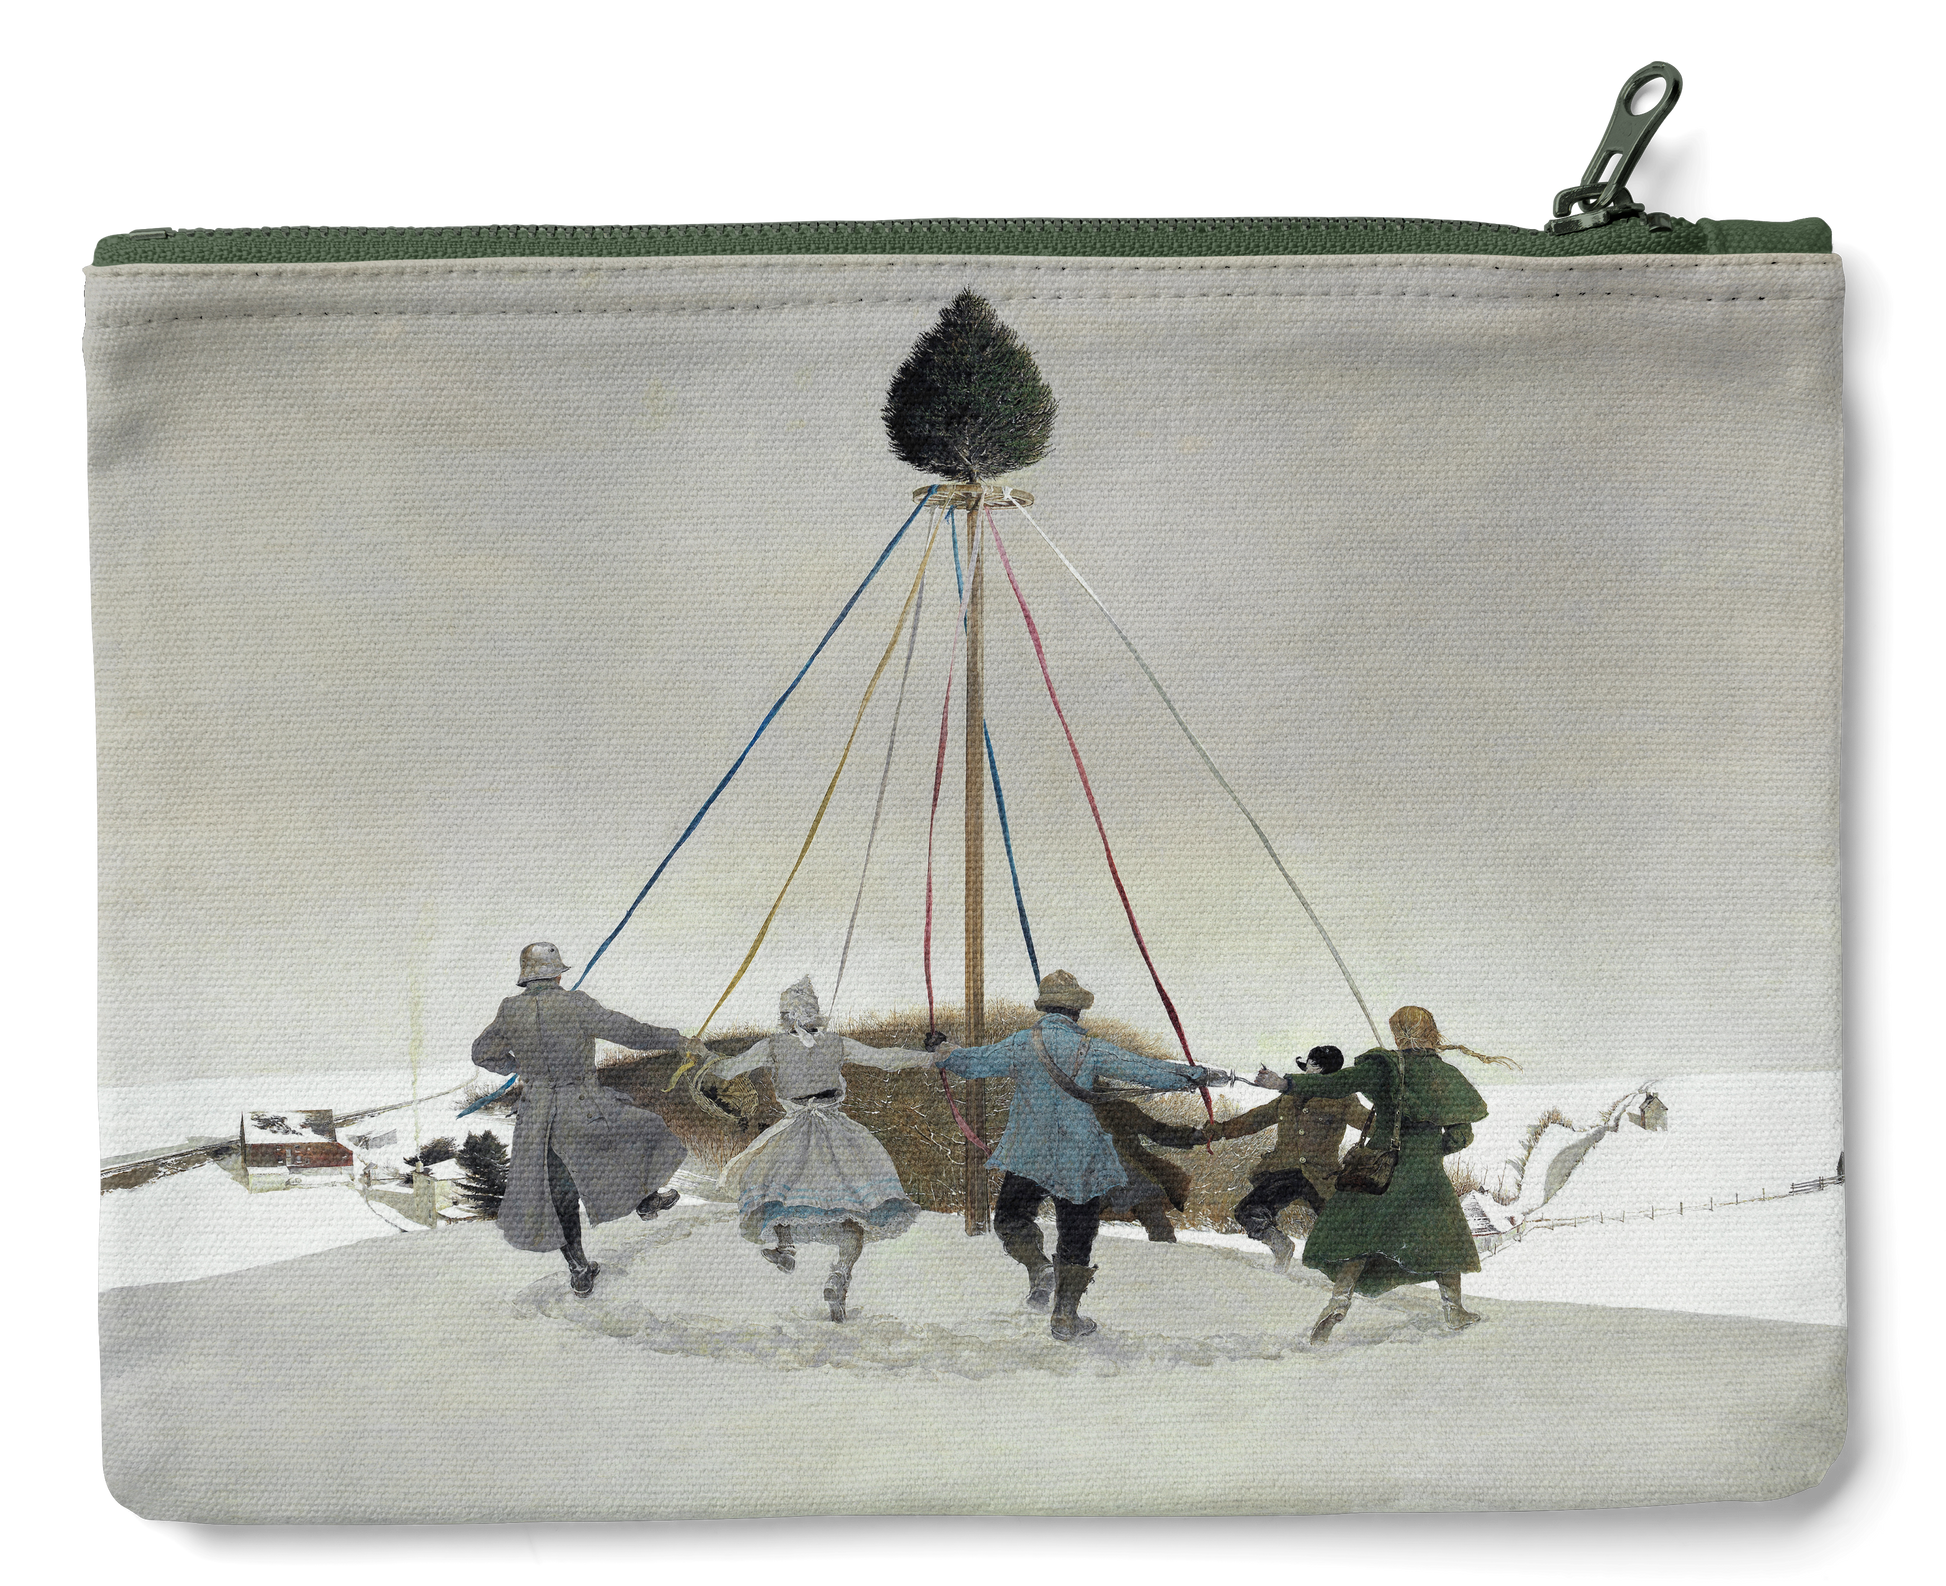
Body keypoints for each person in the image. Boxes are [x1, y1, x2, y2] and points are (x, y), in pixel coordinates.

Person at [929, 970, 1234, 1342]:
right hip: (1080, 1157)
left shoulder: (1022, 1043)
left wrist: (942, 1050)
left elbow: (971, 1063)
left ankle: (1039, 1267)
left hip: (1030, 1153)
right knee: (1076, 1233)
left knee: (1011, 1219)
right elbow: (1146, 1070)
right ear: (1076, 1011)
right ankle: (1065, 1314)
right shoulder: (1090, 1048)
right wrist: (1199, 1076)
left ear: (1046, 1008)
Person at [470, 942, 708, 1297]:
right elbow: (630, 1032)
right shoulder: (576, 1003)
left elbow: (481, 1053)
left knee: (559, 1197)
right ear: (557, 974)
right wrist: (678, 1042)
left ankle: (580, 1269)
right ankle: (646, 1201)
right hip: (584, 1106)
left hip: (537, 1122)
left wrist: (518, 1067)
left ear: (526, 977)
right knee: (638, 1132)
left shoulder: (509, 1010)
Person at [699, 977, 938, 1322]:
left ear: (788, 1016)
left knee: (775, 1189)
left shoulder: (772, 1046)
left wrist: (703, 1058)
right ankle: (840, 1273)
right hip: (837, 1133)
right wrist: (929, 1059)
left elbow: (727, 1069)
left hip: (795, 1131)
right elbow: (885, 1059)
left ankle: (786, 1247)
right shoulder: (836, 1043)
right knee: (855, 1207)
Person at [1268, 1006, 1511, 1342]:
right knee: (1444, 1239)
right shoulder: (1446, 1076)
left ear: (1397, 1035)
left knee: (1359, 1239)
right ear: (1431, 1033)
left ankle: (1339, 1301)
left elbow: (1339, 1083)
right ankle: (1454, 1309)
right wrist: (1429, 1151)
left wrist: (1287, 1082)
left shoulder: (1385, 1067)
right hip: (1425, 1172)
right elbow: (1461, 1136)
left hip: (1378, 1167)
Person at [1199, 1045, 1371, 1272]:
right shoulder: (1290, 1096)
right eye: (1309, 1065)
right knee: (1248, 1211)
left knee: (1339, 1227)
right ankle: (1281, 1245)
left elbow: (1370, 1124)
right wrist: (1220, 1130)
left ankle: (1349, 1272)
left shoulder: (1343, 1099)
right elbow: (1257, 1118)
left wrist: (1396, 1122)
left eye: (1314, 1066)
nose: (1309, 1070)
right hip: (1283, 1172)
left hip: (1321, 1177)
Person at [1091, 1086, 1206, 1242]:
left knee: (1155, 1217)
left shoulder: (1121, 1108)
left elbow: (1158, 1131)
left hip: (1133, 1175)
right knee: (1079, 1223)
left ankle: (1167, 1251)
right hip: (1092, 1179)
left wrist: (1191, 1136)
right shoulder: (1070, 1111)